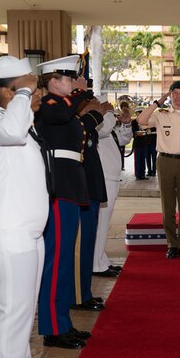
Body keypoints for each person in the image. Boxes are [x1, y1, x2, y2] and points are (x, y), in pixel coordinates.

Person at [0, 56, 48, 358]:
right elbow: (12, 131)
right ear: (8, 92)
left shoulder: (20, 121)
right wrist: (21, 95)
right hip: (11, 231)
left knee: (22, 318)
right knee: (12, 317)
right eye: (29, 88)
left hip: (31, 233)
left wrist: (23, 96)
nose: (37, 93)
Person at [35, 55, 93, 349]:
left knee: (64, 259)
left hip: (69, 187)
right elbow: (60, 117)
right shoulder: (50, 107)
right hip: (58, 189)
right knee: (55, 260)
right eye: (70, 79)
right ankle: (52, 329)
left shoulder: (64, 107)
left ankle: (63, 323)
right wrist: (80, 92)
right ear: (53, 82)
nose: (75, 84)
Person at [137, 81, 180, 258]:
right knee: (167, 205)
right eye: (174, 93)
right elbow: (141, 120)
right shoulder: (161, 115)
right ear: (170, 95)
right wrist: (159, 101)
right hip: (166, 161)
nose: (178, 96)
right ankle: (171, 244)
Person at [72, 97, 108, 312]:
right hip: (82, 194)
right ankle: (78, 295)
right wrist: (95, 112)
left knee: (87, 247)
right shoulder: (77, 125)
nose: (96, 104)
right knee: (80, 249)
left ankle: (84, 292)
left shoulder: (85, 126)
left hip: (91, 192)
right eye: (90, 102)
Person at [92, 100, 133, 277]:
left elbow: (123, 138)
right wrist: (107, 112)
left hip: (112, 178)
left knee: (104, 223)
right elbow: (105, 130)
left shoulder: (106, 125)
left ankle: (100, 260)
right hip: (104, 177)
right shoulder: (98, 125)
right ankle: (96, 264)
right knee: (101, 223)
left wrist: (126, 123)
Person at [132, 108, 149, 180]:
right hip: (137, 143)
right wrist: (136, 134)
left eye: (140, 113)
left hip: (144, 143)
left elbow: (148, 131)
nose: (139, 114)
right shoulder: (134, 122)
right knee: (137, 159)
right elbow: (132, 132)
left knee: (143, 159)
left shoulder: (146, 121)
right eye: (138, 113)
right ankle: (137, 174)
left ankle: (143, 174)